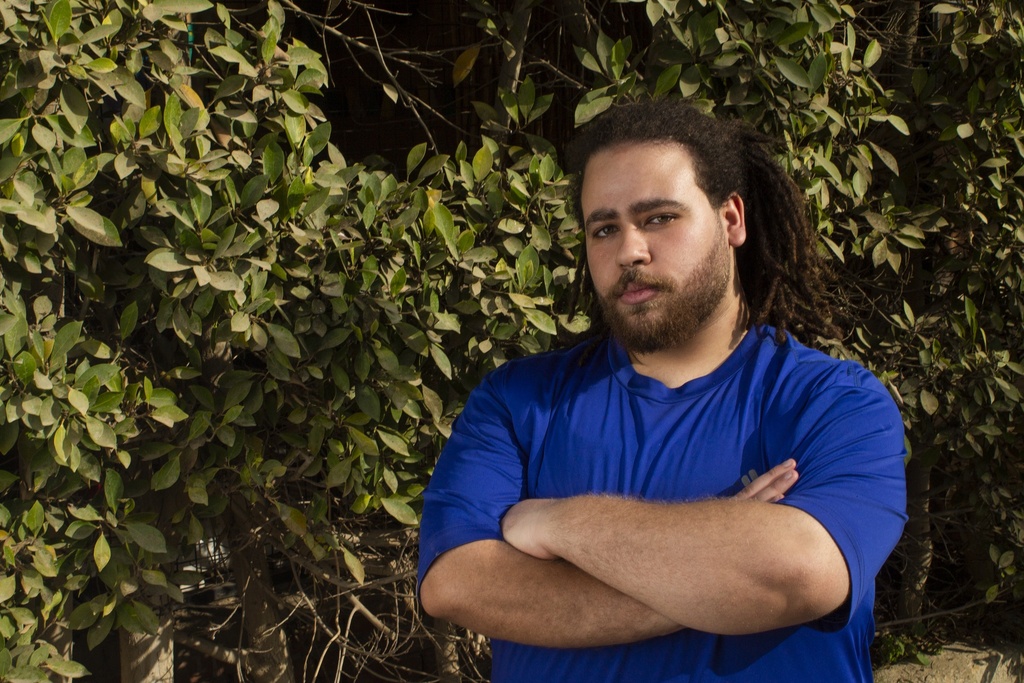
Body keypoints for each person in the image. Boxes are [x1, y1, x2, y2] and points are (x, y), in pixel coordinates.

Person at [417, 99, 907, 682]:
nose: (629, 251)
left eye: (658, 218)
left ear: (731, 221)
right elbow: (456, 583)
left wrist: (558, 523)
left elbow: (793, 576)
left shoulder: (835, 402)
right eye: (605, 228)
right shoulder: (520, 401)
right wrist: (711, 580)